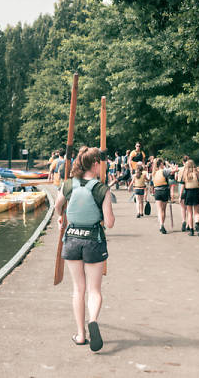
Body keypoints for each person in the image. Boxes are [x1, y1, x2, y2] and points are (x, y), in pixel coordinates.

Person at [55, 146, 115, 352]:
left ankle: (81, 335)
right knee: (94, 290)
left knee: (78, 289)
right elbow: (110, 222)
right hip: (93, 241)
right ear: (95, 164)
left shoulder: (68, 184)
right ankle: (93, 320)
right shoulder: (102, 189)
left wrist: (60, 216)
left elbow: (57, 206)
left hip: (71, 239)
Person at [151, 158, 177, 233]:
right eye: (163, 164)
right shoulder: (164, 171)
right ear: (161, 164)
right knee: (163, 210)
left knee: (159, 210)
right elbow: (175, 170)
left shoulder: (154, 173)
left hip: (157, 192)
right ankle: (162, 225)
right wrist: (169, 164)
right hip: (164, 191)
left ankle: (161, 225)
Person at [181, 159, 199, 236]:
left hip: (188, 193)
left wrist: (181, 196)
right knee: (197, 212)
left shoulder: (185, 175)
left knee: (190, 213)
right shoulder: (197, 174)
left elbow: (182, 186)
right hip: (196, 193)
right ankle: (197, 224)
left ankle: (191, 230)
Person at [176, 155, 190, 231]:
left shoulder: (180, 169)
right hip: (188, 187)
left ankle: (183, 220)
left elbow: (176, 178)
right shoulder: (191, 169)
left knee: (182, 207)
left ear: (183, 162)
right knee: (189, 208)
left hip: (180, 187)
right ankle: (188, 223)